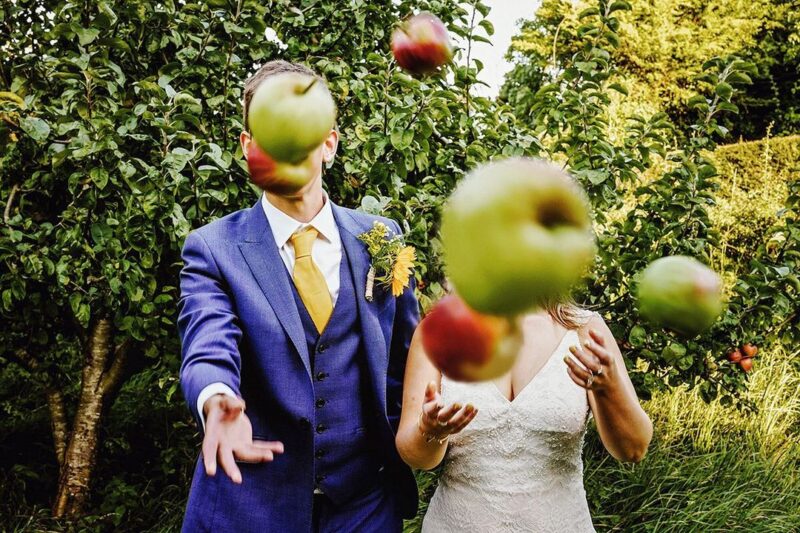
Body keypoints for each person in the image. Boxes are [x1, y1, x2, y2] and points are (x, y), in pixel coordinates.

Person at [178, 60, 419, 532]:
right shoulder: (213, 249)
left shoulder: (381, 237)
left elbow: (407, 362)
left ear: (328, 142)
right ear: (248, 147)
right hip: (249, 507)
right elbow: (207, 343)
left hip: (365, 508)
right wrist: (216, 399)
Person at [396, 303, 653, 532]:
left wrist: (611, 388)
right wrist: (430, 431)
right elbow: (416, 457)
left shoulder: (585, 330)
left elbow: (633, 449)